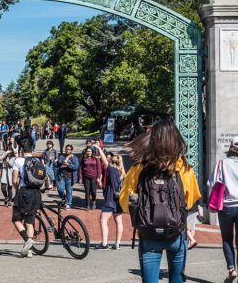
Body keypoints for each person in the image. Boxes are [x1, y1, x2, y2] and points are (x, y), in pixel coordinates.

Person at [119, 121, 201, 283]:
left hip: (148, 232)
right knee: (177, 279)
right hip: (177, 232)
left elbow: (125, 203)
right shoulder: (183, 168)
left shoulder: (139, 168)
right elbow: (190, 200)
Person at [208, 136, 238, 283]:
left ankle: (232, 269)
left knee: (227, 239)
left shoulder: (222, 163)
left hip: (226, 206)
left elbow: (212, 182)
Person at [12, 136, 41, 258]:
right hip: (36, 193)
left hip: (24, 192)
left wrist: (16, 189)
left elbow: (14, 180)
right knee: (30, 222)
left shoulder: (18, 161)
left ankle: (27, 240)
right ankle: (29, 250)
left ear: (22, 149)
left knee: (16, 219)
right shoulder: (38, 161)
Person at [95, 148, 125, 250]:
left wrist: (99, 148)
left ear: (113, 163)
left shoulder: (113, 170)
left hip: (110, 199)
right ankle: (117, 243)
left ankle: (104, 244)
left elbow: (104, 161)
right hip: (119, 200)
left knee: (103, 220)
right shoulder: (122, 173)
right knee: (119, 221)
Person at [56, 144, 79, 210]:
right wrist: (56, 162)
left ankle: (68, 203)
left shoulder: (74, 158)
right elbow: (57, 164)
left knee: (69, 191)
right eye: (66, 149)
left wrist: (68, 165)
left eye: (68, 149)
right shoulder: (62, 157)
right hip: (62, 176)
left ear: (71, 150)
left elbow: (76, 167)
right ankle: (63, 198)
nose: (67, 150)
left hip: (70, 177)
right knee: (60, 189)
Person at [79, 146, 101, 211]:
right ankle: (87, 205)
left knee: (93, 191)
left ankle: (93, 201)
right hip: (86, 177)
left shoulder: (96, 159)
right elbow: (80, 168)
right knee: (87, 191)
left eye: (90, 151)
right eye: (87, 151)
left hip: (94, 177)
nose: (89, 152)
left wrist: (98, 177)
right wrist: (80, 177)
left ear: (92, 152)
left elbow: (99, 169)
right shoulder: (84, 158)